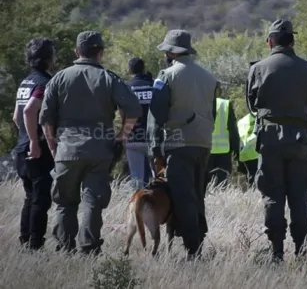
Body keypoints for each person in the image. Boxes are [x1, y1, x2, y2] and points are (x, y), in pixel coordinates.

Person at [39, 31, 142, 255]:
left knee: (65, 203)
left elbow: (45, 119)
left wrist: (53, 146)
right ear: (101, 53)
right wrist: (121, 136)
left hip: (66, 149)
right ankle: (89, 249)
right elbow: (134, 109)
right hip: (100, 151)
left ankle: (65, 249)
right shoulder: (109, 78)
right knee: (93, 202)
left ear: (77, 52)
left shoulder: (59, 78)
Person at [246, 19, 307, 261]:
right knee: (299, 194)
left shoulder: (258, 68)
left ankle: (276, 252)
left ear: (270, 41)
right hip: (299, 137)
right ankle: (301, 251)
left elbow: (252, 104)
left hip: (270, 139)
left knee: (273, 195)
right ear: (292, 41)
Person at [147, 29, 218, 260]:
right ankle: (198, 241)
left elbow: (156, 115)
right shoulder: (209, 77)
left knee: (184, 198)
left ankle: (193, 252)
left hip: (178, 145)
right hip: (204, 144)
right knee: (197, 196)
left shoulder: (166, 76)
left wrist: (155, 149)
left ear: (171, 52)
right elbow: (213, 113)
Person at [12, 38, 56, 251]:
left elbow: (16, 117)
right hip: (36, 150)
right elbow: (30, 110)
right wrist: (34, 141)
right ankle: (35, 246)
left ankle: (25, 240)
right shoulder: (44, 83)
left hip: (21, 150)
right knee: (41, 200)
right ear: (49, 58)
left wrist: (24, 137)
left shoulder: (26, 81)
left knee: (30, 199)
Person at [125, 57, 154, 189]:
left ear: (130, 70)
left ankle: (137, 207)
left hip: (133, 137)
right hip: (153, 138)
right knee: (157, 178)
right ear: (143, 69)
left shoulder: (126, 87)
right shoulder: (154, 85)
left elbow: (122, 112)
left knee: (137, 181)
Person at [206, 88, 240, 190]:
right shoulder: (225, 104)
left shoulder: (200, 103)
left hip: (205, 150)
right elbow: (233, 130)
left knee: (206, 185)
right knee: (222, 185)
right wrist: (236, 150)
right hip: (223, 152)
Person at [237, 113, 259, 187]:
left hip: (245, 154)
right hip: (257, 153)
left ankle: (252, 195)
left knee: (250, 179)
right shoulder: (259, 117)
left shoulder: (241, 121)